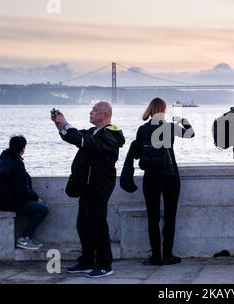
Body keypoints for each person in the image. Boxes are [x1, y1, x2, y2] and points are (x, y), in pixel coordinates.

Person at [51, 102, 125, 278]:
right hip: (86, 186)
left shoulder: (110, 135)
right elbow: (74, 137)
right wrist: (59, 124)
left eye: (94, 111)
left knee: (98, 226)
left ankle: (105, 264)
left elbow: (85, 141)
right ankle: (87, 261)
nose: (90, 113)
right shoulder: (94, 132)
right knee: (83, 225)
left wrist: (66, 122)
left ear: (105, 114)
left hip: (98, 187)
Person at [127, 97, 194, 266]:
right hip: (170, 175)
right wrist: (182, 120)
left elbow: (138, 153)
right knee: (170, 216)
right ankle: (168, 255)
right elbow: (191, 133)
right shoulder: (170, 127)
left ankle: (155, 257)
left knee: (153, 217)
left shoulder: (142, 129)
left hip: (151, 176)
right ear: (163, 110)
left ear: (150, 109)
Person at [0, 135, 49, 250]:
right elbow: (21, 188)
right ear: (22, 148)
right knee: (43, 208)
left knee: (41, 205)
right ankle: (24, 237)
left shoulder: (3, 160)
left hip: (0, 201)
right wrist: (36, 197)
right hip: (8, 202)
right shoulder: (16, 163)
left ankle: (26, 237)